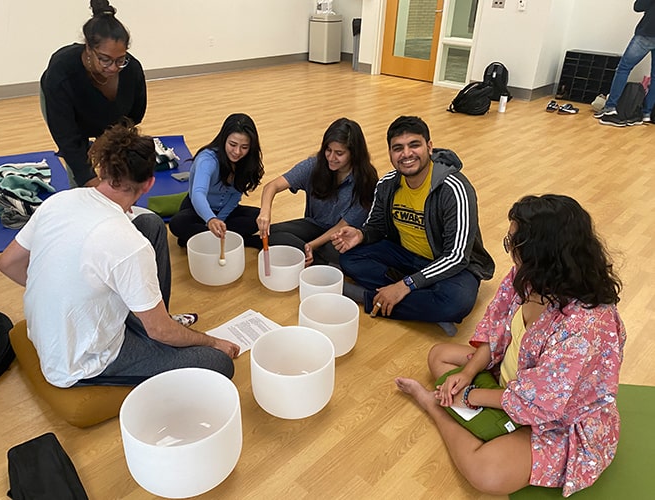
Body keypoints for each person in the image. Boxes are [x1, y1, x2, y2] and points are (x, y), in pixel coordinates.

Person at [395, 194, 626, 497]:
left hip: (556, 416)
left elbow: (543, 403)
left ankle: (433, 407)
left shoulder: (586, 326)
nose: (510, 249)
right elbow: (496, 328)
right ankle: (482, 414)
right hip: (512, 380)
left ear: (543, 253)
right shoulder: (528, 275)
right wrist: (467, 375)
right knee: (440, 354)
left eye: (514, 243)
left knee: (488, 474)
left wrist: (469, 394)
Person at [0, 122, 239, 388]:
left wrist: (56, 290)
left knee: (151, 224)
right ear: (149, 184)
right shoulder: (129, 245)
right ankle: (153, 323)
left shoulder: (59, 201)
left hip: (46, 333)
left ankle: (153, 314)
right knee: (218, 363)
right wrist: (213, 341)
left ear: (101, 170)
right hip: (78, 363)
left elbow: (7, 263)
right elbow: (160, 331)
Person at [332, 116, 494, 336]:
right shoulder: (388, 184)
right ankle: (423, 303)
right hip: (407, 256)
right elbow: (376, 227)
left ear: (429, 146)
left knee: (455, 303)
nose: (406, 154)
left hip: (452, 266)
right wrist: (361, 235)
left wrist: (404, 285)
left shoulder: (455, 189)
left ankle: (366, 297)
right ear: (390, 153)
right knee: (349, 258)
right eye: (398, 148)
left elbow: (457, 256)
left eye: (414, 145)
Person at [40, 0, 147, 187]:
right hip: (71, 113)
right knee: (80, 172)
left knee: (116, 162)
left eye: (120, 59)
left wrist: (105, 140)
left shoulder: (132, 69)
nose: (114, 68)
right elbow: (67, 137)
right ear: (88, 49)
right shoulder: (62, 72)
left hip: (107, 117)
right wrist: (92, 185)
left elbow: (134, 115)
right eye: (105, 59)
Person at [256, 118, 379, 267]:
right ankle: (318, 259)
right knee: (271, 233)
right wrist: (265, 211)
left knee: (339, 251)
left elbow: (341, 226)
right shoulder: (314, 165)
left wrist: (311, 246)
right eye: (328, 150)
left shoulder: (366, 180)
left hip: (341, 235)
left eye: (339, 153)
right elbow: (272, 186)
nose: (331, 158)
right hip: (314, 225)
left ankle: (313, 257)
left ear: (354, 153)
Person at [169, 113, 264, 247]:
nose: (237, 152)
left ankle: (204, 237)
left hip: (224, 210)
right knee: (178, 223)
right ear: (224, 139)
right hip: (197, 209)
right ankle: (234, 239)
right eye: (233, 144)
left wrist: (220, 220)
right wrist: (210, 219)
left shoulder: (246, 161)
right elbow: (198, 194)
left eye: (244, 147)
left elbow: (235, 195)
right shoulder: (207, 160)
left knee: (259, 217)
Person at [595, 0, 655, 126]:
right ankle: (646, 113)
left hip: (647, 33)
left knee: (624, 68)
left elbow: (638, 7)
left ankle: (610, 107)